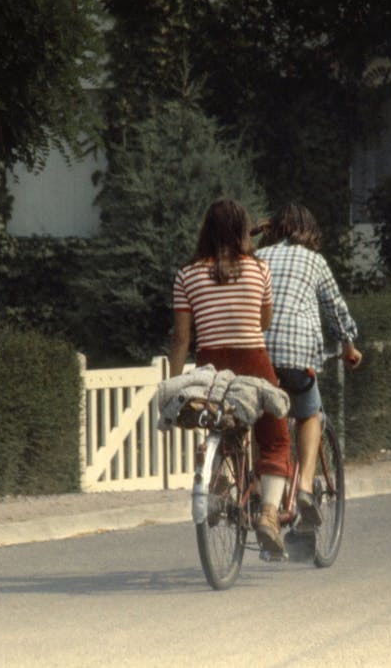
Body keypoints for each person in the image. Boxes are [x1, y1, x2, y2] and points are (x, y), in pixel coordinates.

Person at [170, 198, 291, 556]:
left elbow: (181, 338)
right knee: (275, 438)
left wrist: (177, 383)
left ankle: (219, 486)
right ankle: (269, 514)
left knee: (219, 421)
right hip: (254, 362)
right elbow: (262, 322)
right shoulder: (259, 269)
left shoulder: (186, 274)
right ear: (243, 229)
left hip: (211, 367)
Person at [255, 203, 362, 531]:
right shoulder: (315, 261)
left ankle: (261, 493)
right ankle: (303, 487)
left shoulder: (259, 259)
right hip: (297, 354)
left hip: (257, 351)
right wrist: (348, 345)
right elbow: (335, 307)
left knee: (262, 416)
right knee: (309, 414)